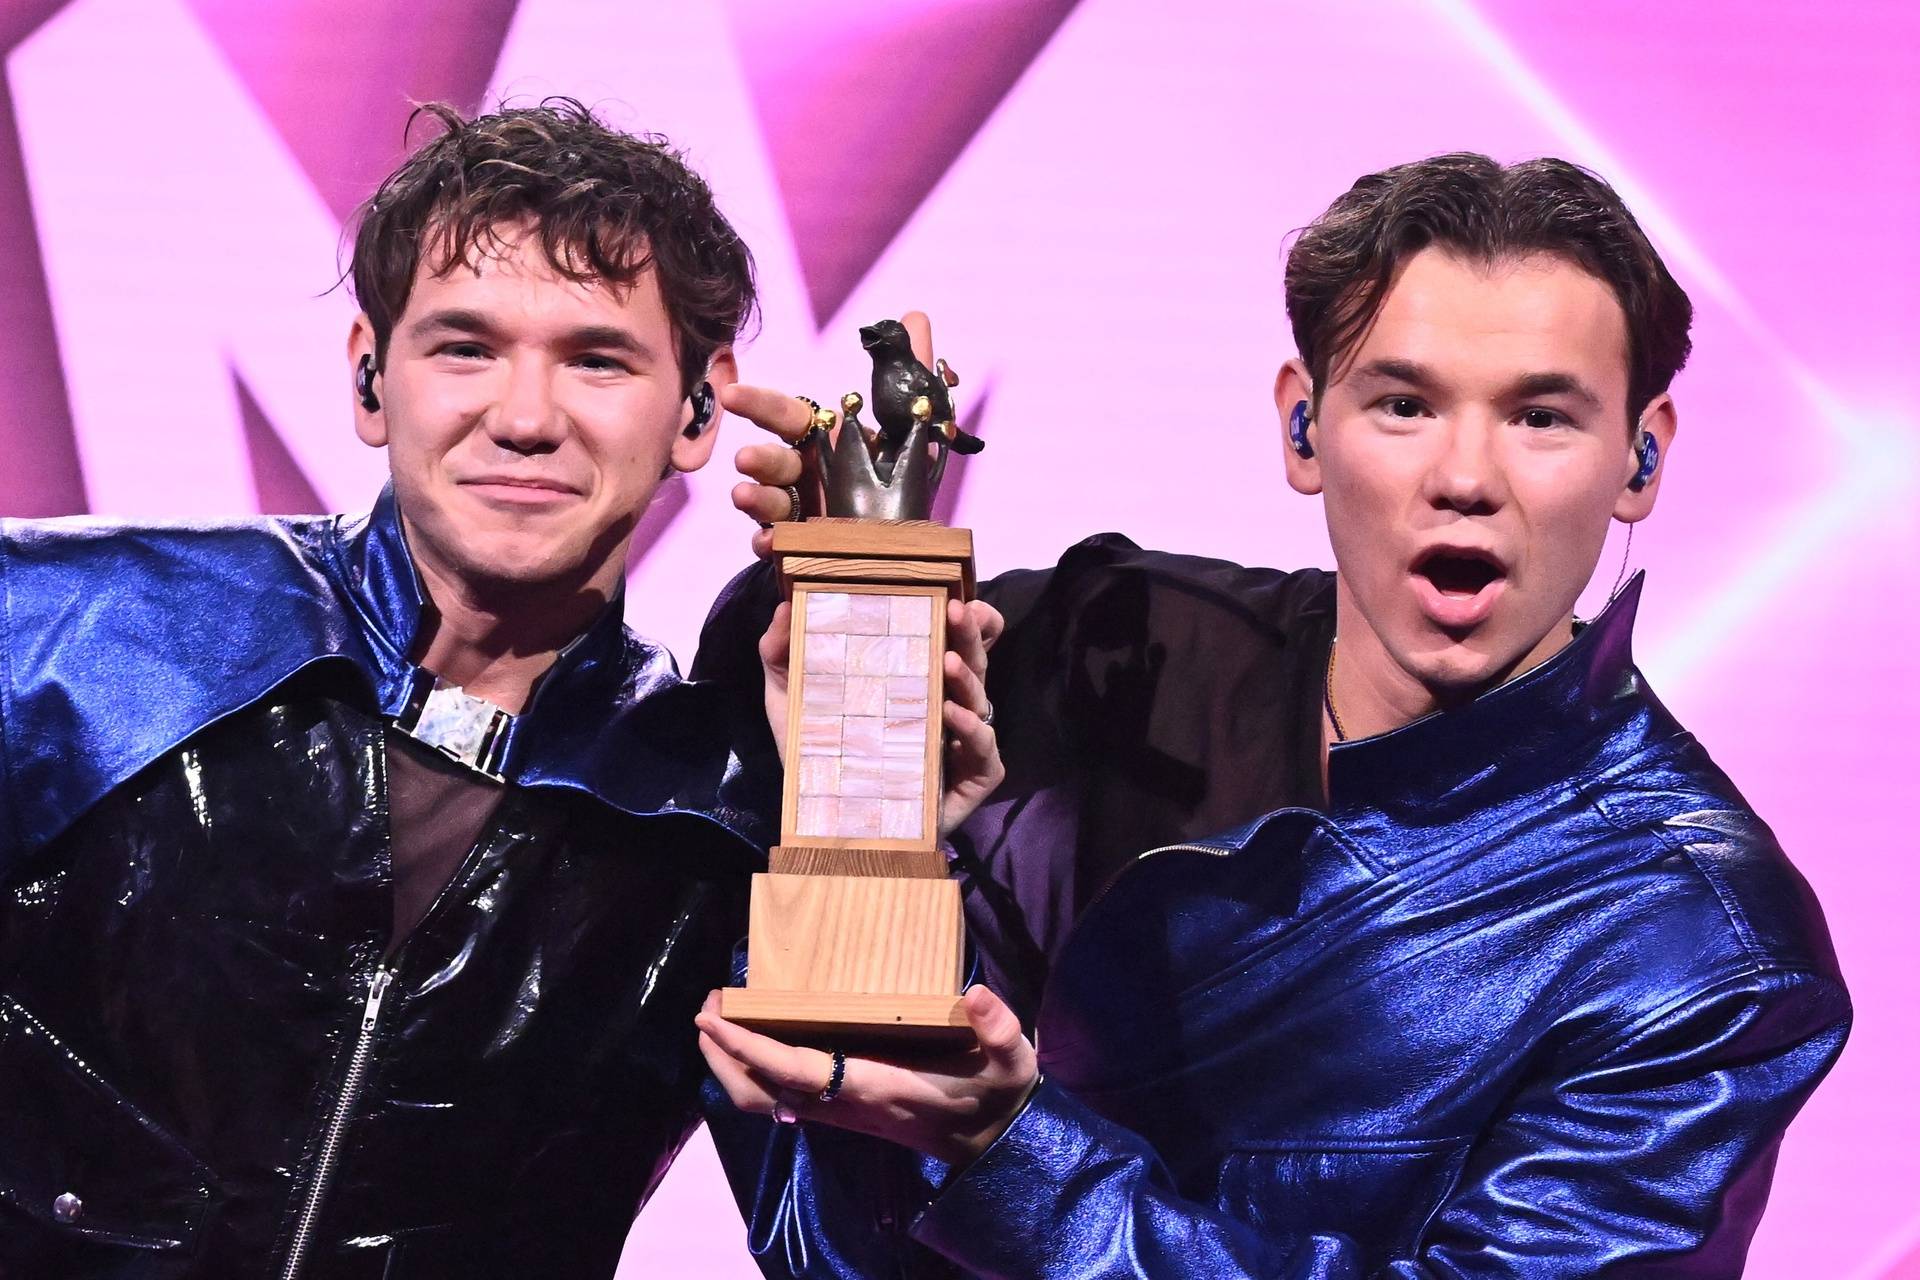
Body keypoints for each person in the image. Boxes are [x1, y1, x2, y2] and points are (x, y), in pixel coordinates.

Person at [696, 154, 1850, 1276]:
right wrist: (842, 585)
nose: (1465, 475)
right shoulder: (1110, 650)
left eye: (1540, 418)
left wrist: (1020, 1157)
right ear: (1303, 427)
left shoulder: (1704, 945)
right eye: (1403, 403)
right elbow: (834, 1208)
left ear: (1641, 458)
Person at [0, 99, 999, 1279]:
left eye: (596, 359)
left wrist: (866, 812)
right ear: (371, 378)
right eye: (465, 346)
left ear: (696, 406)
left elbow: (849, 1253)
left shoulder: (723, 816)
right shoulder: (68, 619)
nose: (525, 418)